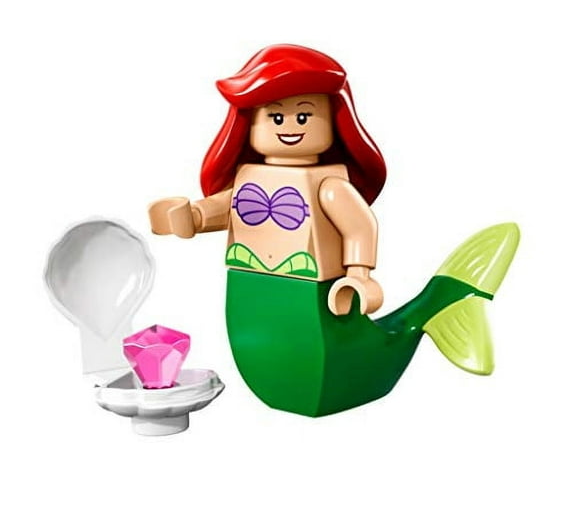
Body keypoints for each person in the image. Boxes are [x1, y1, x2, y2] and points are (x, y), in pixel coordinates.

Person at [149, 44, 519, 417]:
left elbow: (360, 226)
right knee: (264, 348)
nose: (290, 127)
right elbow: (217, 210)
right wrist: (187, 218)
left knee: (318, 355)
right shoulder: (248, 178)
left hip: (318, 292)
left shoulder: (329, 185)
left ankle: (446, 301)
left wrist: (359, 274)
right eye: (275, 117)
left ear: (332, 121)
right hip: (250, 286)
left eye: (304, 116)